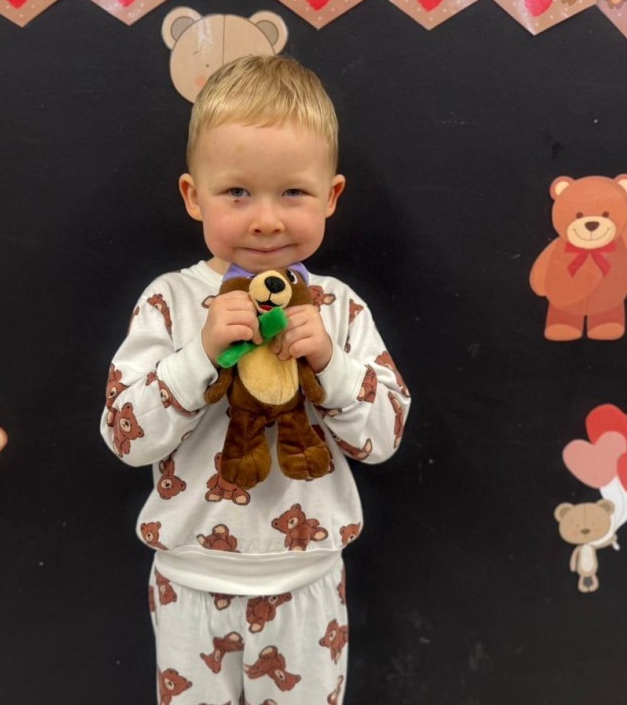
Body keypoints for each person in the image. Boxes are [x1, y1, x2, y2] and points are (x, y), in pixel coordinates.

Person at [100, 54, 411, 704]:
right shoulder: (168, 302)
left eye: (292, 192)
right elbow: (125, 437)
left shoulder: (340, 308)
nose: (266, 219)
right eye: (237, 192)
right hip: (189, 580)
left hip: (307, 580)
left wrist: (330, 364)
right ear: (194, 196)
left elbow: (384, 437)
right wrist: (200, 354)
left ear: (331, 197)